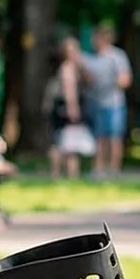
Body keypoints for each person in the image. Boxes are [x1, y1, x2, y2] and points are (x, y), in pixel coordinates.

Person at [82, 23, 132, 177]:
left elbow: (125, 79)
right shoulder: (92, 58)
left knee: (114, 137)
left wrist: (110, 83)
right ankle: (99, 168)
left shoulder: (117, 56)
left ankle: (114, 169)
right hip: (96, 102)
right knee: (99, 137)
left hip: (114, 104)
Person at [47, 36, 91, 179]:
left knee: (61, 141)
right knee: (68, 143)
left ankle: (60, 172)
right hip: (65, 109)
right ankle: (66, 172)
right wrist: (73, 108)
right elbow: (69, 90)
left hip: (60, 108)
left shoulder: (71, 68)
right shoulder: (68, 68)